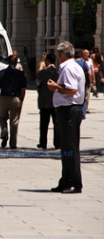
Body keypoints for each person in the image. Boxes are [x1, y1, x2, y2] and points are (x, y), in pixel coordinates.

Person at [47, 41, 85, 194]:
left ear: (60, 55)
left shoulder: (68, 68)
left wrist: (55, 87)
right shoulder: (74, 66)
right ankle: (66, 179)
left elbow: (71, 90)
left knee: (70, 147)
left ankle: (74, 182)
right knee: (67, 147)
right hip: (70, 109)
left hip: (69, 110)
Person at [0, 55, 27, 149]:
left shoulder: (1, 73)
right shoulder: (20, 74)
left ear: (7, 62)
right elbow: (23, 89)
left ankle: (4, 130)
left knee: (2, 118)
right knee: (14, 122)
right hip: (15, 98)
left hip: (3, 98)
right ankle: (13, 143)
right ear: (16, 63)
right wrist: (21, 100)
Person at [36, 53, 59, 149]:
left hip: (44, 101)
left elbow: (38, 78)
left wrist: (41, 65)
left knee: (44, 124)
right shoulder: (59, 71)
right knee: (57, 123)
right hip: (56, 101)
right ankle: (58, 143)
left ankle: (43, 142)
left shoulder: (44, 71)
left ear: (48, 61)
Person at [74, 50, 91, 118]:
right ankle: (83, 113)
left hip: (74, 82)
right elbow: (89, 73)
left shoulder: (72, 63)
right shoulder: (84, 63)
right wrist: (90, 82)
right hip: (82, 82)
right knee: (83, 97)